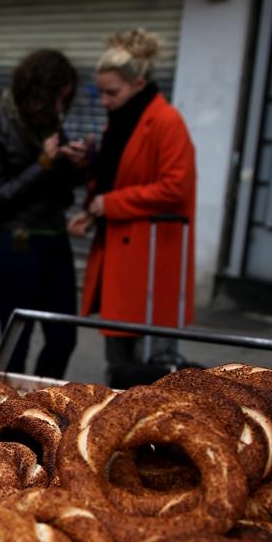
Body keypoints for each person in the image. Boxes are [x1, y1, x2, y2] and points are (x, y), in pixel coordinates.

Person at [67, 29, 196, 387]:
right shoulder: (123, 120)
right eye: (101, 92)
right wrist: (93, 206)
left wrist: (110, 204)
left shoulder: (166, 121)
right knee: (119, 364)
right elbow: (118, 176)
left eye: (112, 92)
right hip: (123, 258)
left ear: (139, 82)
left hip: (150, 261)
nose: (105, 101)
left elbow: (175, 186)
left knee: (153, 371)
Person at [0, 49, 89, 379]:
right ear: (38, 92)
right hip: (13, 246)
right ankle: (9, 418)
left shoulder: (48, 124)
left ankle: (46, 403)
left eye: (64, 101)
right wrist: (43, 164)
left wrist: (77, 164)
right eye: (56, 99)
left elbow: (60, 191)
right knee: (15, 347)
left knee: (64, 338)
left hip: (54, 242)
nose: (60, 109)